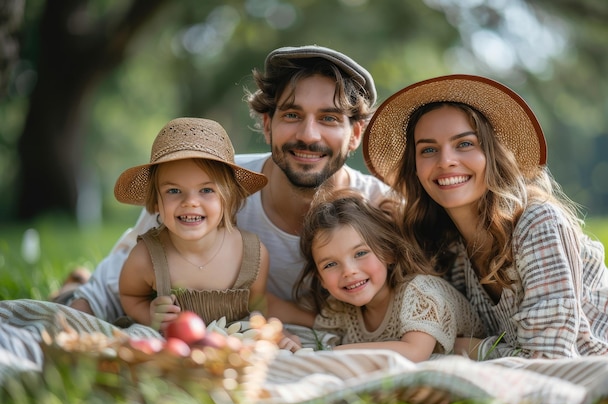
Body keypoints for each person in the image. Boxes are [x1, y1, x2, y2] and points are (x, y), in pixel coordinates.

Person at [55, 45, 389, 323]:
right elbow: (121, 275)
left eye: (329, 118)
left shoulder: (379, 207)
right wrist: (71, 318)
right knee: (74, 298)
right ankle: (72, 285)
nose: (308, 135)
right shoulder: (209, 181)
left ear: (356, 134)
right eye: (292, 115)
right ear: (268, 124)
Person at [363, 74, 608, 360]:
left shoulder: (538, 223)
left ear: (492, 154)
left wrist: (471, 348)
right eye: (428, 150)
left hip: (607, 367)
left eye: (464, 144)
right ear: (415, 168)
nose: (445, 161)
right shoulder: (447, 247)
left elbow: (549, 359)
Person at [274, 188, 485, 362]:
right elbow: (286, 315)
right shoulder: (341, 309)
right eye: (330, 264)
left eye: (361, 253)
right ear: (320, 278)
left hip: (483, 355)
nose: (349, 271)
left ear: (389, 253)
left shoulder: (421, 292)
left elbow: (414, 352)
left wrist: (332, 355)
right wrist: (283, 336)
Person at [114, 117, 269, 331]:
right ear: (156, 201)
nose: (190, 202)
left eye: (206, 190)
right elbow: (130, 295)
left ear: (228, 198)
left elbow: (257, 305)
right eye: (174, 191)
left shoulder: (251, 254)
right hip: (171, 350)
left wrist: (260, 323)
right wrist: (148, 314)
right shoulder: (146, 258)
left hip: (231, 352)